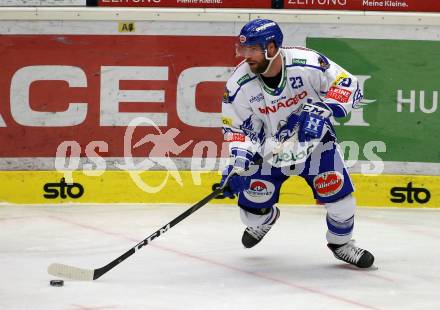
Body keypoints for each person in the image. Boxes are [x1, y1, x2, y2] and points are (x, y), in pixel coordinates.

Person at [220, 19, 374, 268]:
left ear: (271, 48)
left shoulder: (307, 63)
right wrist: (238, 166)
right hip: (268, 154)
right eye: (243, 50)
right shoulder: (238, 85)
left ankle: (341, 244)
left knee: (342, 202)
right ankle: (266, 218)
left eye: (252, 50)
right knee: (250, 215)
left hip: (315, 146)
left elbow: (346, 84)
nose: (246, 56)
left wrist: (325, 108)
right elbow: (237, 130)